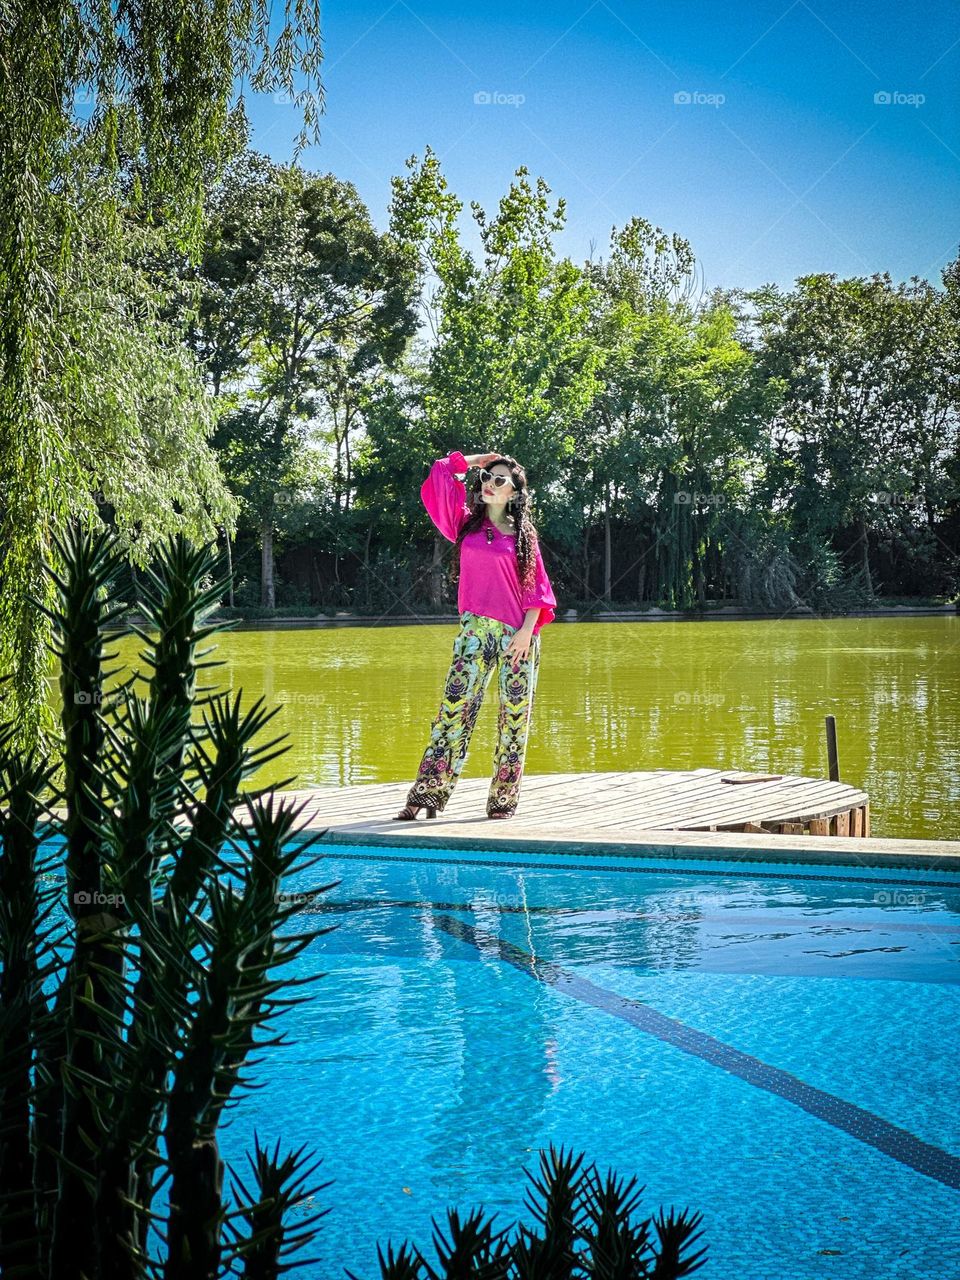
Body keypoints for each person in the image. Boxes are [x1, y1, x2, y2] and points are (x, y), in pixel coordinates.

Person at [395, 449, 556, 821]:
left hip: (518, 635)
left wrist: (525, 633)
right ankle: (426, 796)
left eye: (500, 480)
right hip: (473, 632)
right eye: (487, 478)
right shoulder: (465, 524)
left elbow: (538, 590)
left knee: (514, 720)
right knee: (453, 712)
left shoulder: (523, 537)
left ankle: (502, 802)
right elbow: (438, 474)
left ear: (514, 493)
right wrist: (477, 461)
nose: (490, 484)